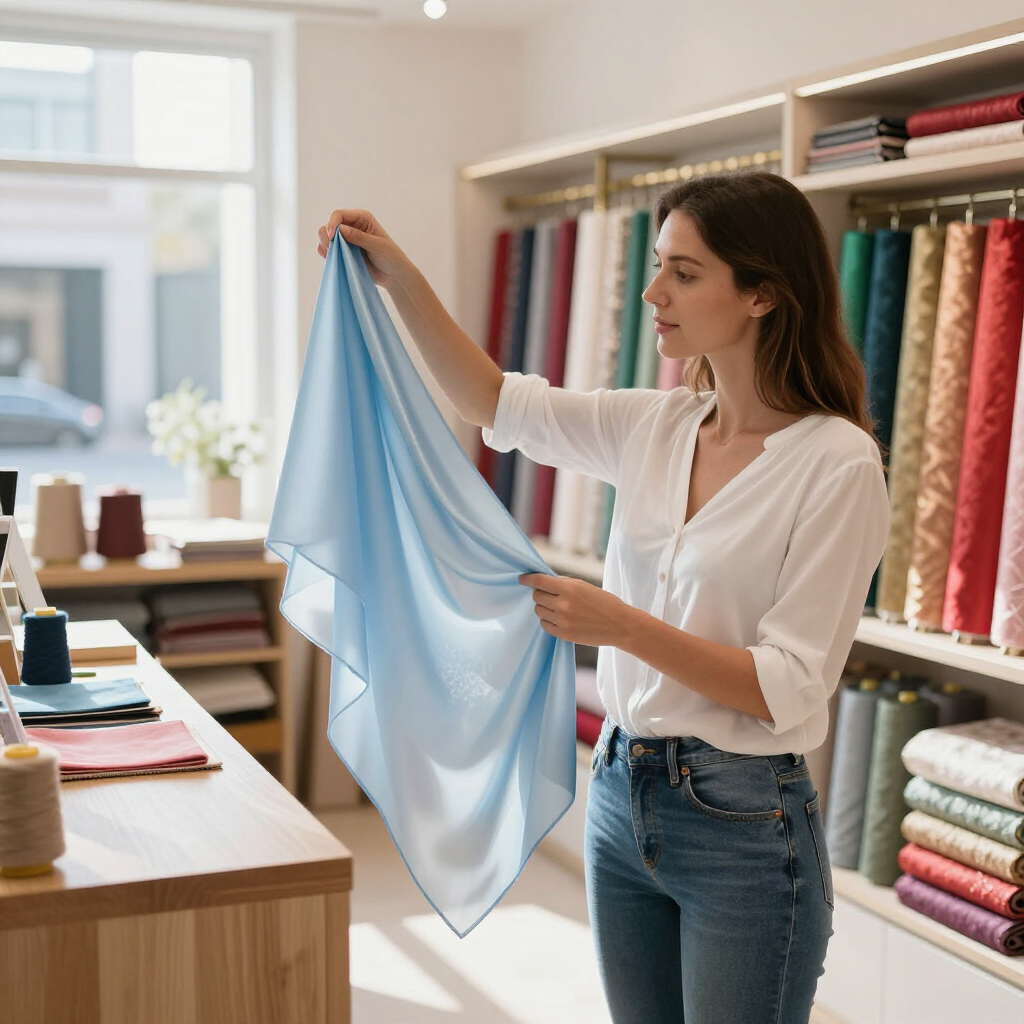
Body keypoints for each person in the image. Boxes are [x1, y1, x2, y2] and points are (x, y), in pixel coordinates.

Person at [317, 170, 889, 1024]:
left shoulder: (836, 463)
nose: (653, 292)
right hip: (620, 793)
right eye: (659, 264)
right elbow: (491, 401)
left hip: (743, 820)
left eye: (685, 273)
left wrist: (619, 626)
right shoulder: (656, 424)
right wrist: (394, 274)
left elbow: (791, 686)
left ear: (764, 294)